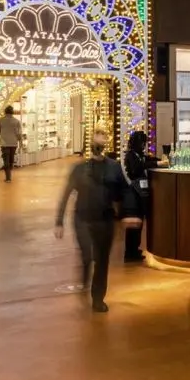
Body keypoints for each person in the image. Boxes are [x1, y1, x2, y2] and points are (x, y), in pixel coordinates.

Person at [54, 129, 128, 313]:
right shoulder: (79, 169)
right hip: (82, 218)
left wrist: (127, 213)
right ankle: (85, 273)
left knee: (102, 260)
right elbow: (66, 192)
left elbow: (123, 192)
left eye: (103, 138)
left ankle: (98, 298)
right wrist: (59, 221)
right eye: (97, 138)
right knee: (87, 254)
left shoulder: (114, 167)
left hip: (105, 219)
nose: (99, 143)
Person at [123, 130, 166, 263]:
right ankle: (130, 252)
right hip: (133, 193)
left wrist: (159, 160)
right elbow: (137, 168)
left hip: (139, 193)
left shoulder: (138, 155)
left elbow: (149, 159)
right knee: (134, 223)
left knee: (138, 222)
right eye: (142, 143)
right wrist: (156, 164)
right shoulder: (131, 156)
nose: (143, 146)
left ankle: (134, 249)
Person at [0, 105, 22, 182]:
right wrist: (20, 143)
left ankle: (8, 177)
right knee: (11, 160)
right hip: (14, 143)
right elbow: (19, 134)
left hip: (5, 144)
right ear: (12, 112)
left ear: (5, 112)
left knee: (6, 160)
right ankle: (9, 173)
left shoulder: (1, 120)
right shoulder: (16, 121)